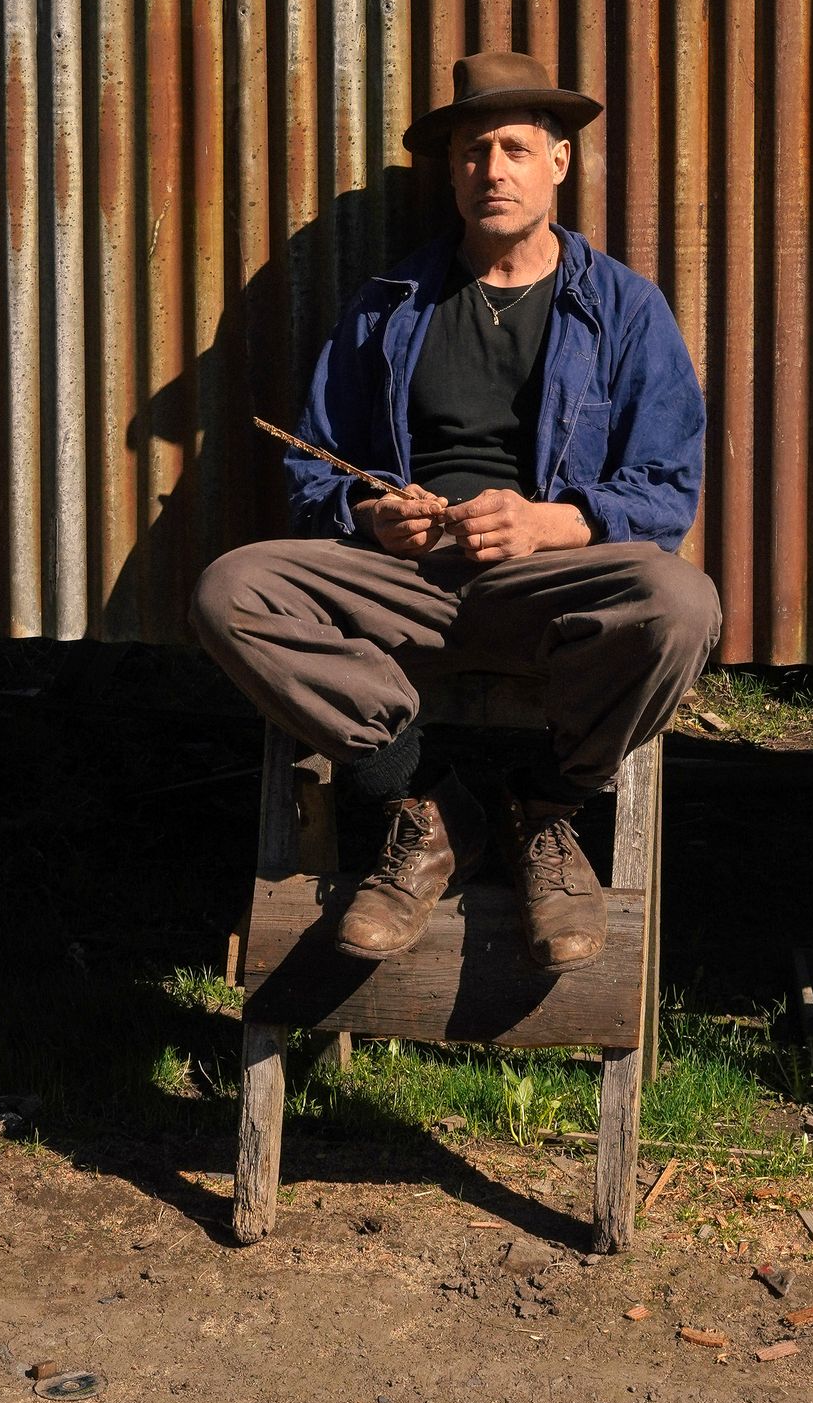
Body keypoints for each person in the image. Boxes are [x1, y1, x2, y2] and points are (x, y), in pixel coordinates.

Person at [191, 50, 720, 972]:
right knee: (230, 591)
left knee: (680, 604)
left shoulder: (625, 309)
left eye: (515, 149)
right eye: (474, 152)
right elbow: (313, 469)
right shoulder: (388, 305)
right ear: (451, 171)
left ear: (559, 162)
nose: (493, 171)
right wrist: (372, 515)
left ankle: (544, 809)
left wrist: (547, 524)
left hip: (547, 589)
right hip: (402, 585)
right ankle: (426, 806)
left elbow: (667, 487)